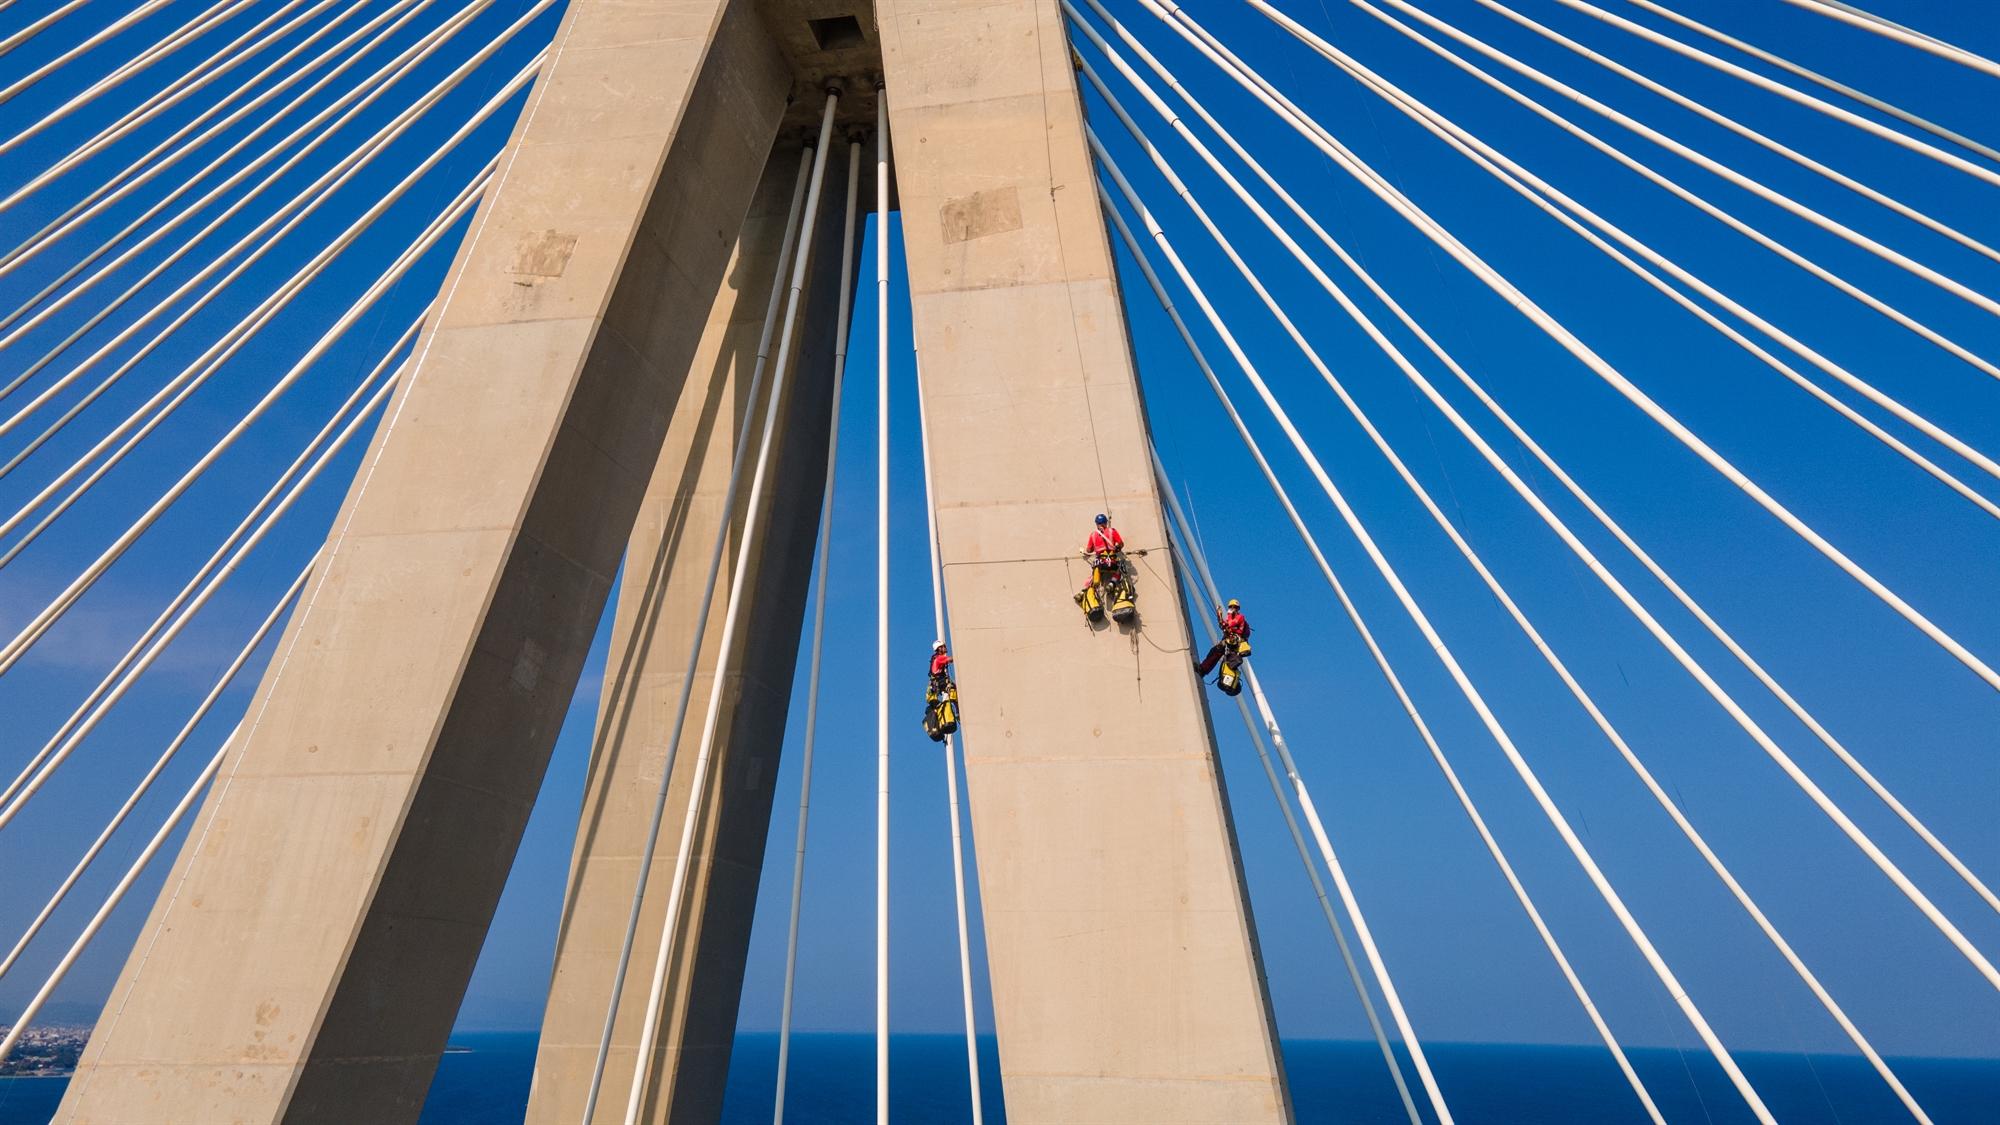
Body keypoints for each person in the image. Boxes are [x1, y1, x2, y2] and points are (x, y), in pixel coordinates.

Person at [1196, 599, 1252, 676]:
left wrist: (1229, 615)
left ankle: (1202, 669)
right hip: (1229, 641)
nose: (1232, 608)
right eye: (1231, 607)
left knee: (1218, 653)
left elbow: (1231, 623)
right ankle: (1203, 670)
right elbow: (1223, 624)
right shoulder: (1231, 618)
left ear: (1238, 608)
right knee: (1214, 653)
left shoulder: (1240, 617)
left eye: (1234, 607)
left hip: (1233, 642)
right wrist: (1219, 615)